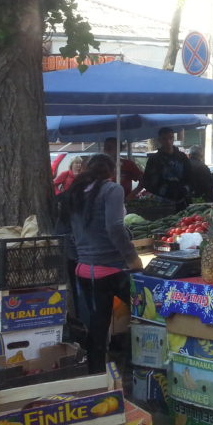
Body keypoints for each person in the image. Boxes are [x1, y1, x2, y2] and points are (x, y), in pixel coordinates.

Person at [60, 154, 142, 373]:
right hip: (113, 270)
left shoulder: (75, 192)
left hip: (84, 271)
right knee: (145, 313)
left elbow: (64, 231)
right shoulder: (111, 190)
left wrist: (78, 256)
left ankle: (95, 375)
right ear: (111, 171)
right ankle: (136, 367)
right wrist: (132, 258)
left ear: (88, 169)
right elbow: (115, 227)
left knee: (97, 327)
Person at [141, 128, 193, 210]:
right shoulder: (154, 159)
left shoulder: (182, 157)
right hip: (161, 204)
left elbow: (191, 178)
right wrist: (160, 191)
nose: (168, 141)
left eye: (170, 138)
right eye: (164, 139)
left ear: (173, 139)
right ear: (159, 140)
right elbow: (147, 181)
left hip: (182, 202)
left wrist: (185, 190)